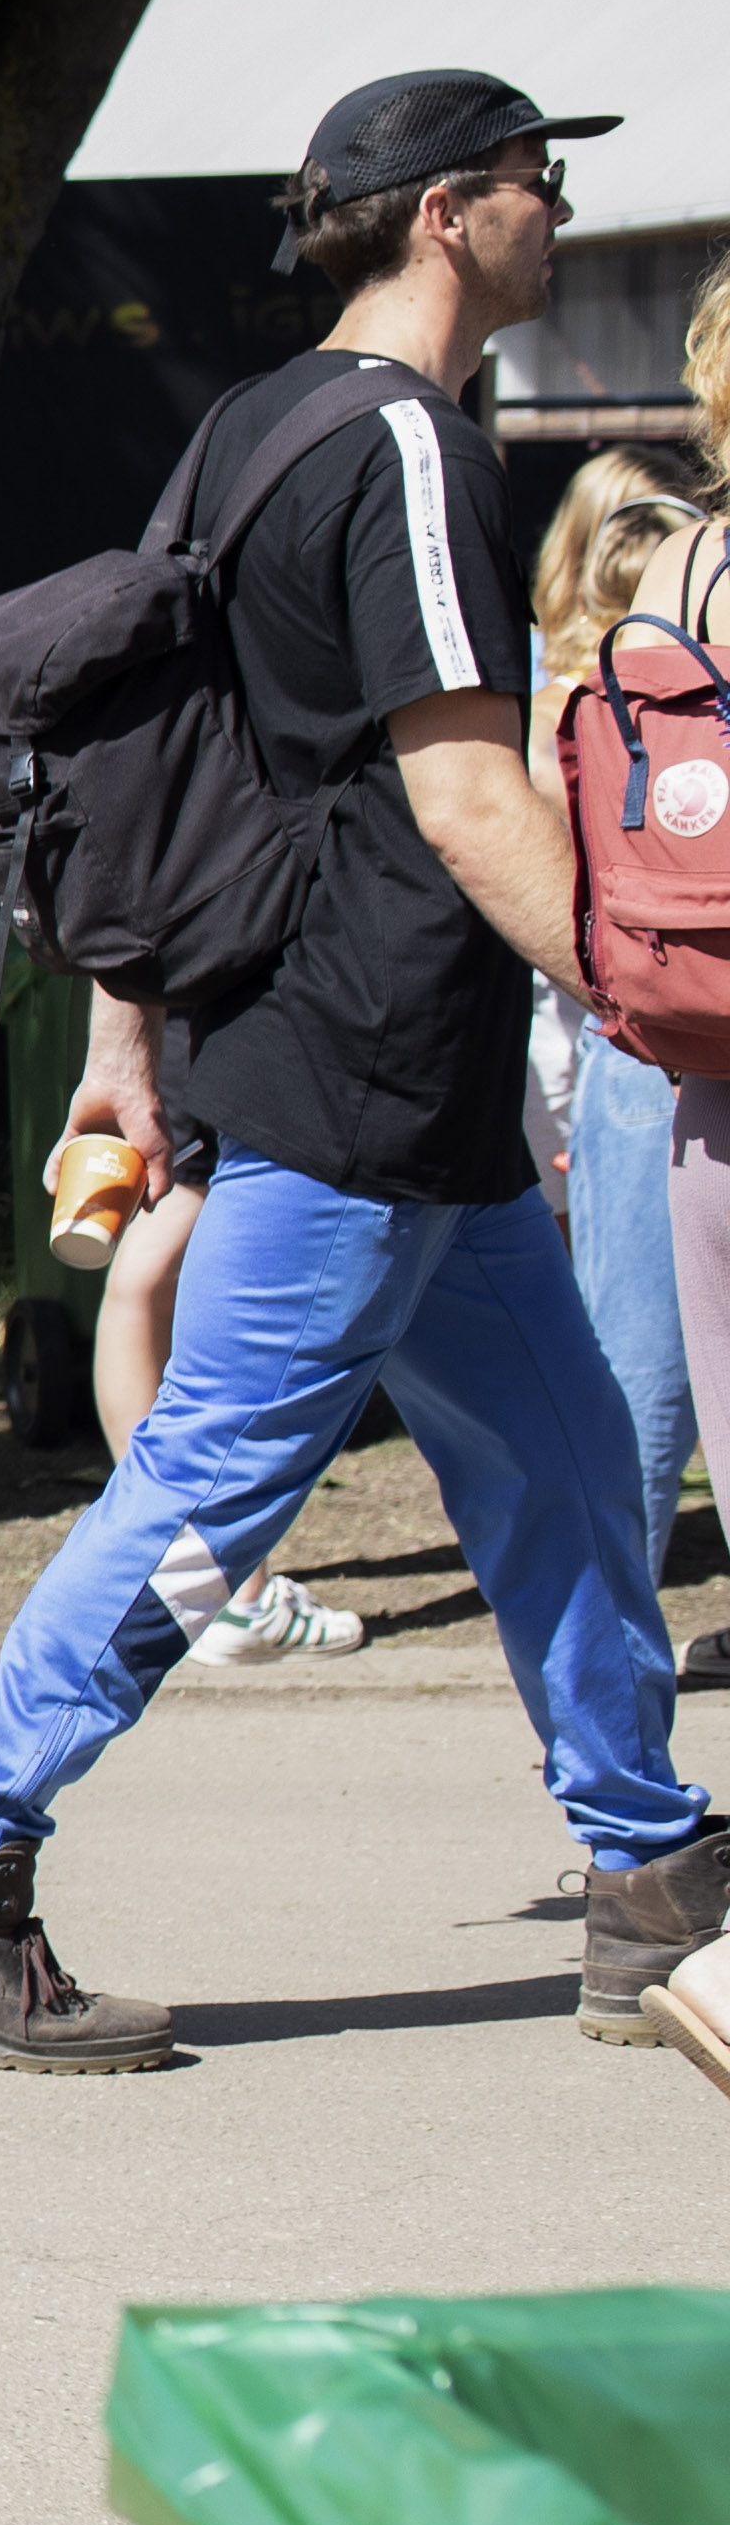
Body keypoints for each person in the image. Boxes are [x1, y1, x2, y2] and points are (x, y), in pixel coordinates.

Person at [0, 73, 721, 2069]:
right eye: (534, 182)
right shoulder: (405, 445)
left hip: (377, 1070)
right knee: (216, 1474)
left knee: (570, 1455)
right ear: (441, 215)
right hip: (368, 1057)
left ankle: (655, 1871)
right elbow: (470, 784)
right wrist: (650, 996)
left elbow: (156, 752)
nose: (558, 209)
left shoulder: (249, 427)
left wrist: (124, 1041)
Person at [541, 434, 725, 1671]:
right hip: (659, 1063)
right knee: (639, 1395)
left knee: (639, 1396)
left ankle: (626, 1759)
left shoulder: (685, 576)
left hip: (684, 1049)